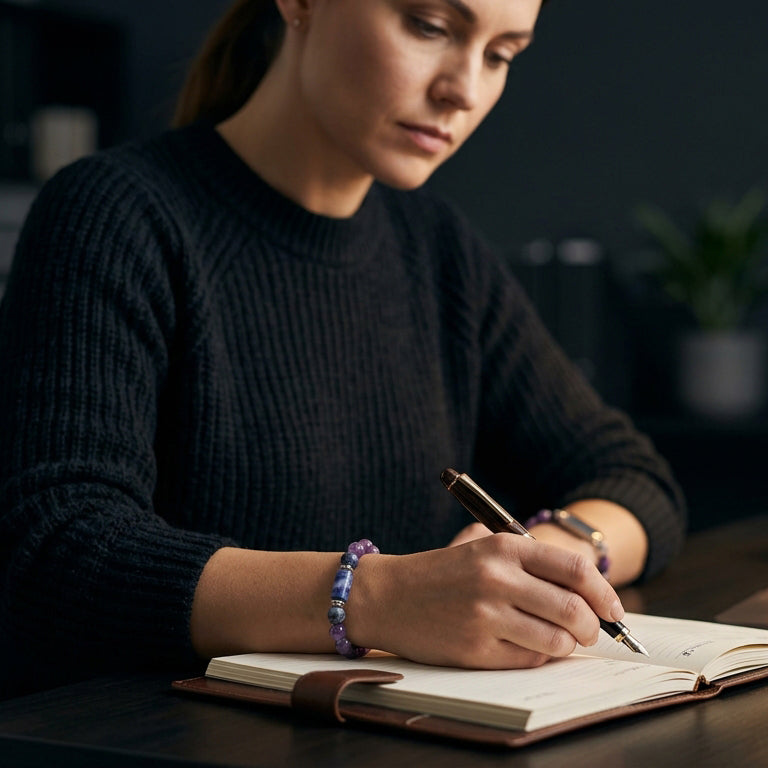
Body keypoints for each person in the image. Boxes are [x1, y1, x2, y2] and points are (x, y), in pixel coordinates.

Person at [0, 0, 685, 699]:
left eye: (501, 54)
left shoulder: (438, 248)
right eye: (430, 26)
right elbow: (54, 547)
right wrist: (377, 597)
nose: (466, 89)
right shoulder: (115, 215)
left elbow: (631, 476)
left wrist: (557, 559)